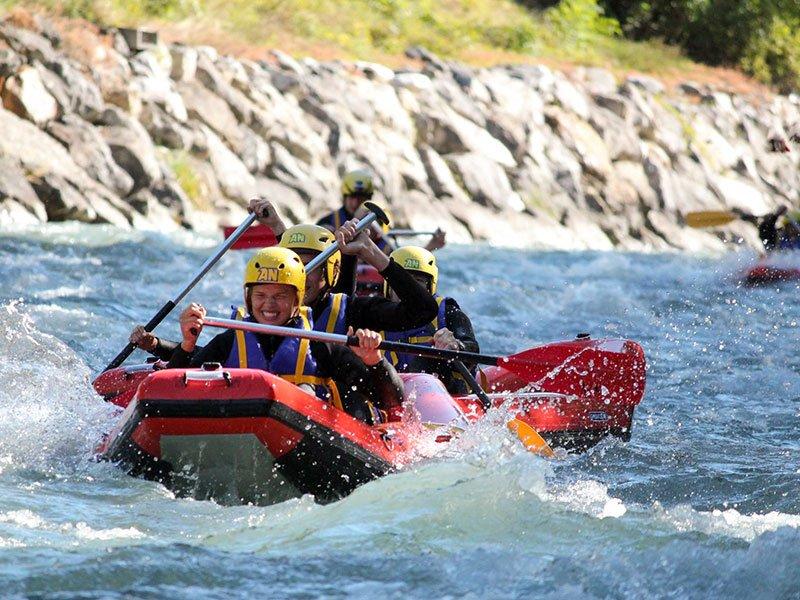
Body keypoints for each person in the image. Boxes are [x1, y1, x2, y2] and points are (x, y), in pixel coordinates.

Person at [165, 247, 403, 423]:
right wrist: (187, 344)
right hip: (239, 429)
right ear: (248, 298)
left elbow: (389, 401)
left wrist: (374, 360)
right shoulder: (229, 341)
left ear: (296, 300)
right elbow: (171, 392)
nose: (269, 305)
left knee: (306, 390)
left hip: (306, 442)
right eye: (260, 296)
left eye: (280, 296)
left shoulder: (320, 346)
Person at [381, 246, 480, 395]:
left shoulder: (448, 313)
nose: (409, 290)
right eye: (401, 281)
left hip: (445, 396)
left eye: (418, 282)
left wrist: (456, 346)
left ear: (430, 288)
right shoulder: (374, 315)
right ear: (388, 286)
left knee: (428, 357)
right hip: (393, 397)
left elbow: (473, 349)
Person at [316, 169, 446, 254]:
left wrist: (429, 247)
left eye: (361, 198)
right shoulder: (327, 223)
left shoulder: (379, 223)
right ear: (344, 197)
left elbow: (401, 262)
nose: (356, 203)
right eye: (352, 197)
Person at [734, 206, 800, 252]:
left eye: (792, 226)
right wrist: (775, 216)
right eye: (788, 227)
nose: (790, 229)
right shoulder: (781, 237)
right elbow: (766, 230)